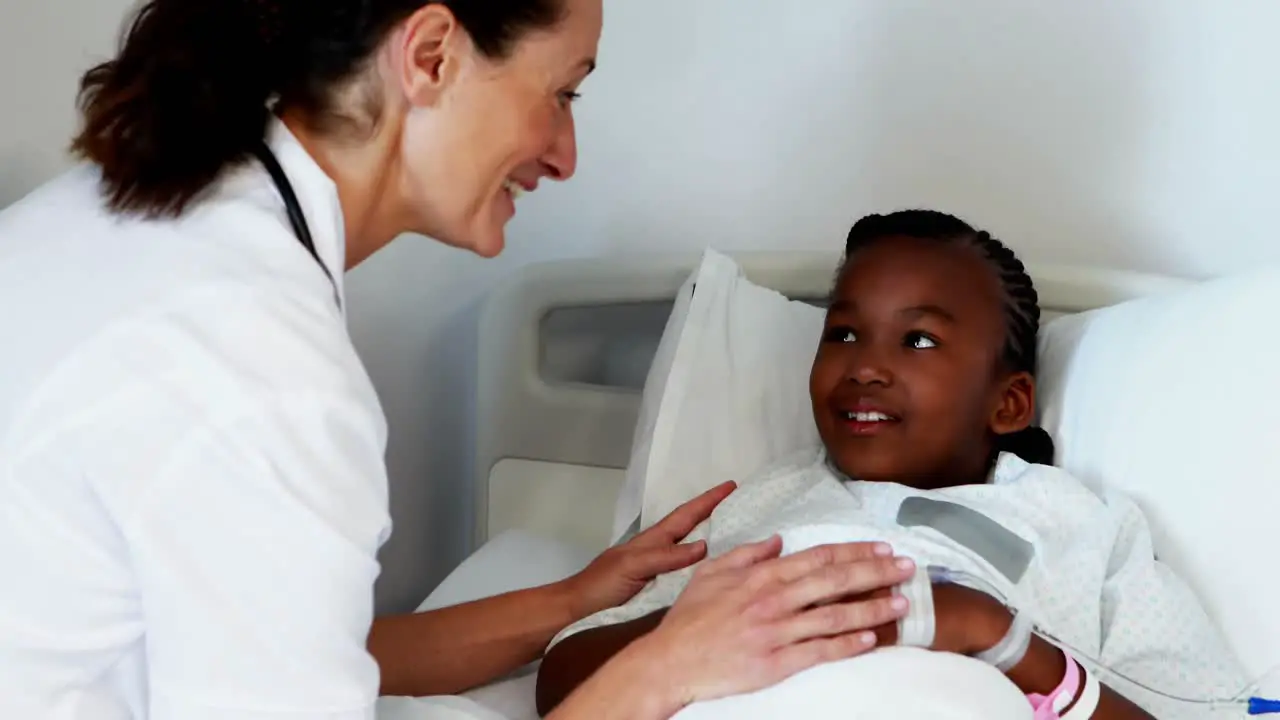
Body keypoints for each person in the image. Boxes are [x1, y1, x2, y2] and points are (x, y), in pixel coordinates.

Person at [0, 1, 920, 718]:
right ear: (431, 53)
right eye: (563, 92)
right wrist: (661, 672)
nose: (564, 154)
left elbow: (307, 655)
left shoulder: (103, 214)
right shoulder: (261, 368)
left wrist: (576, 600)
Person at [536, 210, 1247, 719]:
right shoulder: (762, 505)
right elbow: (564, 686)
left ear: (1009, 403)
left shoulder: (1079, 526)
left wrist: (991, 633)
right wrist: (714, 629)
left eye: (919, 341)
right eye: (843, 332)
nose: (866, 365)